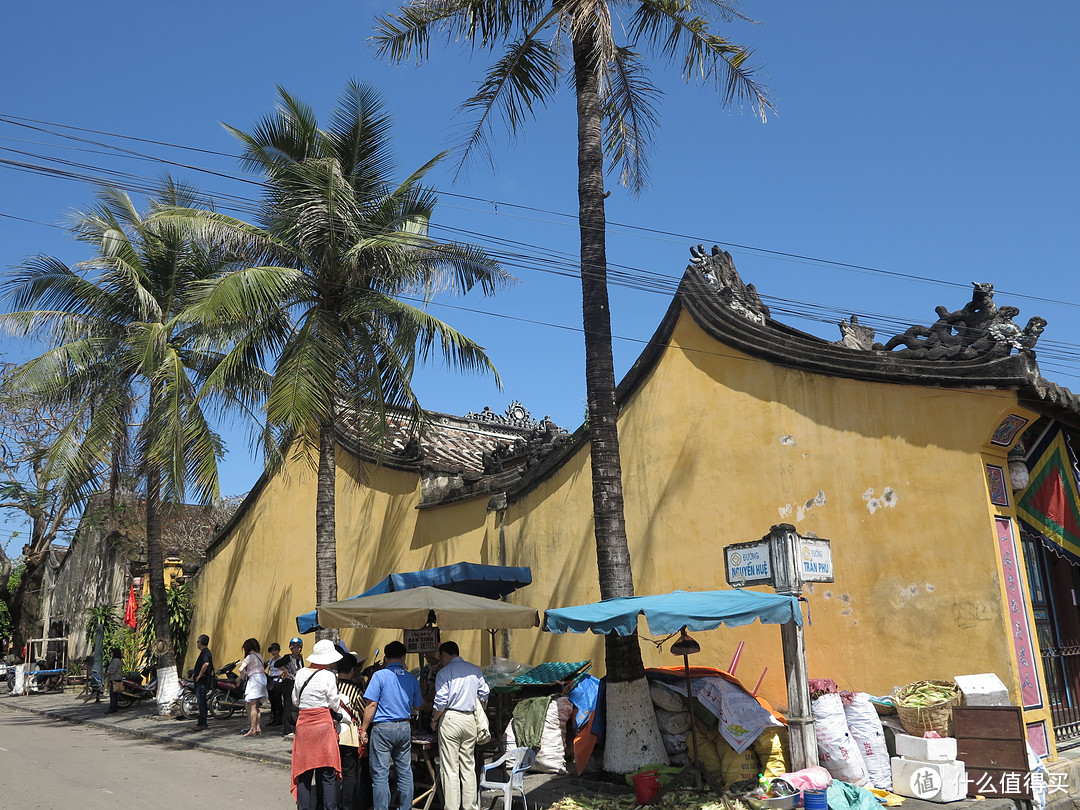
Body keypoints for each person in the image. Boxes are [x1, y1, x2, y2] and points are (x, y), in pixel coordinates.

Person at [362, 640, 422, 810]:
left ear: (386, 658)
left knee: (380, 774)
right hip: (404, 727)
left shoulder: (379, 676)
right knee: (405, 771)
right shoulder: (411, 678)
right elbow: (418, 705)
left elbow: (371, 705)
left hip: (382, 728)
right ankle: (405, 807)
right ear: (404, 657)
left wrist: (364, 730)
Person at [430, 641, 490, 810]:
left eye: (441, 655)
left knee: (450, 768)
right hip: (469, 720)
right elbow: (485, 692)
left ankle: (452, 807)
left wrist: (434, 720)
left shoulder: (444, 672)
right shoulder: (474, 670)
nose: (440, 659)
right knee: (468, 766)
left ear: (446, 654)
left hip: (450, 719)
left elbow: (440, 701)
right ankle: (470, 807)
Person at [291, 638, 345, 810]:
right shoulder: (329, 676)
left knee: (304, 773)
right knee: (327, 774)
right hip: (323, 726)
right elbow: (334, 703)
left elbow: (295, 700)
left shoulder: (300, 673)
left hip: (304, 726)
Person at [336, 652, 372, 810]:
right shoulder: (355, 690)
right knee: (350, 773)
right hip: (349, 736)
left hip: (333, 734)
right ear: (352, 670)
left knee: (334, 771)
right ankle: (348, 805)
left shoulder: (333, 685)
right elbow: (364, 711)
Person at [237, 637, 268, 736]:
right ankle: (258, 727)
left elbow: (240, 669)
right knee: (257, 706)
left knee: (253, 706)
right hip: (262, 679)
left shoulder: (249, 657)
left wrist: (243, 676)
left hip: (254, 681)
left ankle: (252, 729)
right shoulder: (259, 655)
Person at [282, 636, 305, 738]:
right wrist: (285, 671)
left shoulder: (300, 657)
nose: (297, 649)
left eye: (299, 647)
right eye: (295, 647)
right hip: (288, 683)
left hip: (297, 683)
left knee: (295, 705)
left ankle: (294, 725)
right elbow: (277, 664)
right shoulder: (288, 657)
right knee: (287, 705)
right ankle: (287, 729)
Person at [192, 634, 214, 730]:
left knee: (202, 702)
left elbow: (206, 663)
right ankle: (201, 722)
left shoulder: (205, 653)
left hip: (202, 681)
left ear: (200, 643)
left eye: (197, 642)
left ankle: (202, 723)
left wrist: (200, 675)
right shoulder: (205, 652)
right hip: (201, 681)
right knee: (201, 701)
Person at [266, 642, 285, 726]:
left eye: (275, 650)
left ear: (279, 651)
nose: (274, 652)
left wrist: (281, 674)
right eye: (272, 650)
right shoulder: (270, 661)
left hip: (278, 681)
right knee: (272, 700)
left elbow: (285, 670)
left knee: (278, 700)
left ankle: (280, 718)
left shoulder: (282, 660)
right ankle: (273, 717)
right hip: (271, 681)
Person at [104, 647, 124, 714]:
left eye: (112, 652)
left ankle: (112, 707)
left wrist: (108, 672)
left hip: (115, 678)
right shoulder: (118, 660)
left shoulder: (115, 660)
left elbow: (113, 669)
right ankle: (114, 707)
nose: (111, 654)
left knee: (113, 694)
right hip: (116, 678)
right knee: (114, 694)